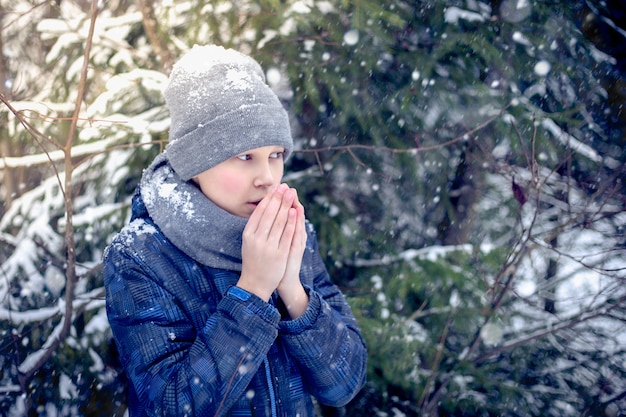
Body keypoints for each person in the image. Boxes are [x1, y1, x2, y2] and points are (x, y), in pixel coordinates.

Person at [103, 44, 367, 416]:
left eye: (276, 155)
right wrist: (254, 290)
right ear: (197, 161)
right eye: (245, 157)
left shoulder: (288, 231)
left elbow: (344, 384)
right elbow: (172, 407)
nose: (267, 177)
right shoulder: (142, 255)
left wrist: (292, 288)